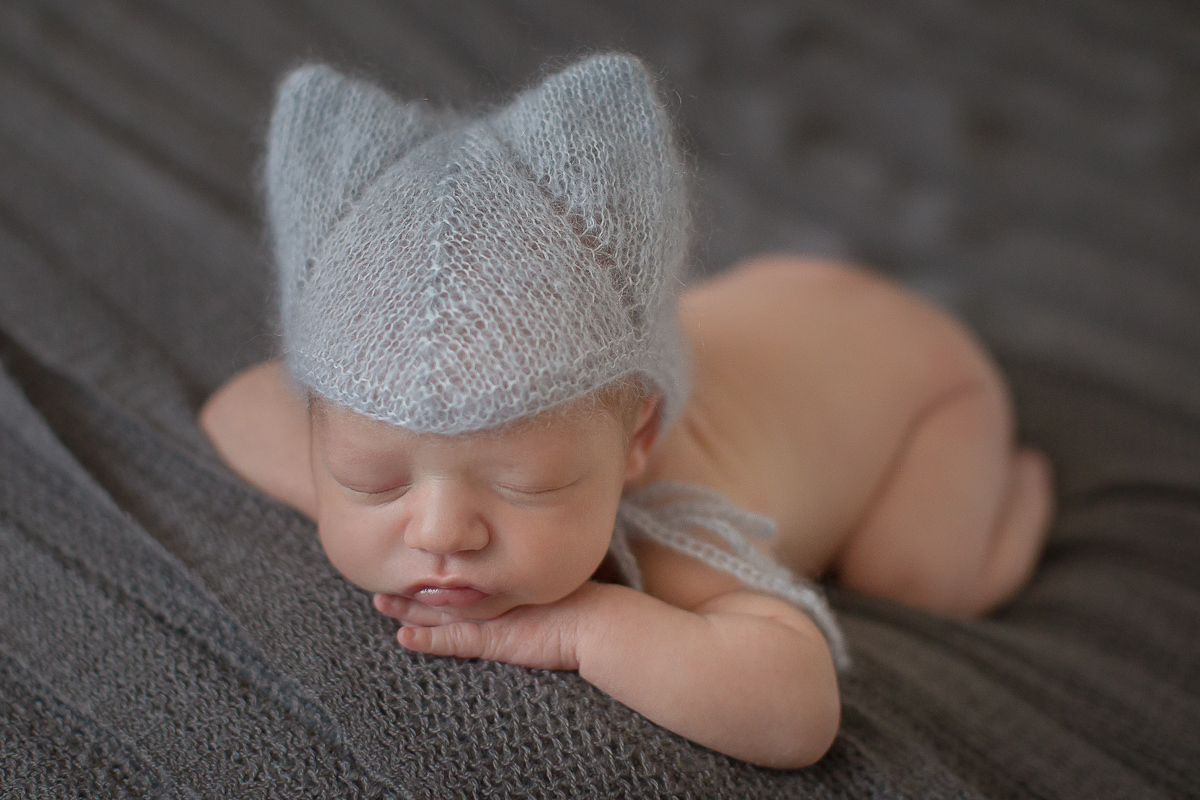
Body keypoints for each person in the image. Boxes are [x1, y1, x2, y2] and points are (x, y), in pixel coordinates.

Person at [200, 54, 1053, 770]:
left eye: (525, 487)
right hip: (789, 309)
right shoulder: (398, 437)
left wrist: (585, 625)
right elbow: (239, 408)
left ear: (638, 441)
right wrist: (341, 496)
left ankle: (1022, 490)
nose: (442, 532)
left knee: (916, 578)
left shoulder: (669, 540)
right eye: (373, 477)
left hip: (924, 383)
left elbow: (797, 715)